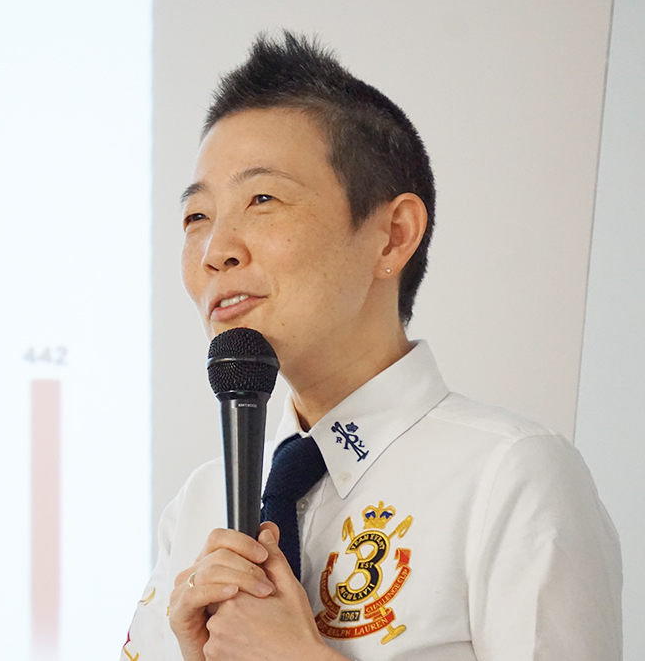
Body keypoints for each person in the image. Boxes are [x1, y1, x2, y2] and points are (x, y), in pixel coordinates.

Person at [122, 32, 622, 661]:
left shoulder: (511, 475)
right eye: (196, 217)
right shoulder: (199, 502)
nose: (215, 250)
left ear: (392, 235)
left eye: (262, 199)